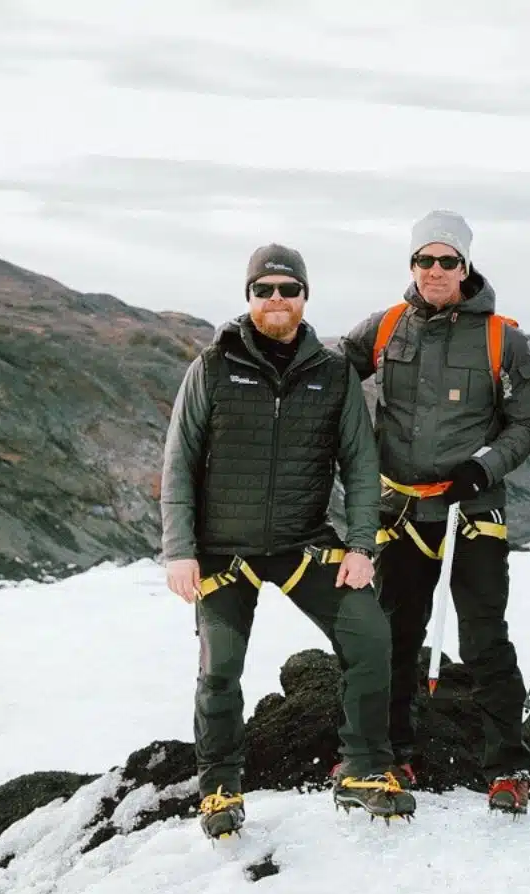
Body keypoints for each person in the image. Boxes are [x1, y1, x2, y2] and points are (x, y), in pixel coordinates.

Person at [160, 243, 409, 839]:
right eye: (264, 290)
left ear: (304, 297)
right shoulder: (212, 366)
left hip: (303, 545)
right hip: (223, 552)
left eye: (287, 289)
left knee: (370, 637)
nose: (276, 300)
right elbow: (180, 460)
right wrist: (179, 549)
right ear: (248, 298)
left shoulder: (332, 372)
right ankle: (220, 786)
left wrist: (360, 545)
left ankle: (363, 767)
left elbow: (359, 462)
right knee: (219, 668)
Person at [339, 211, 530, 814]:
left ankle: (508, 766)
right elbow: (327, 379)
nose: (434, 271)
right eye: (424, 260)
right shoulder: (384, 327)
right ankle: (392, 752)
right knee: (397, 632)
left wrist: (484, 466)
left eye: (446, 261)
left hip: (472, 509)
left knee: (484, 635)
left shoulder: (499, 337)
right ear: (411, 265)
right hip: (401, 509)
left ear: (465, 267)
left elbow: (529, 420)